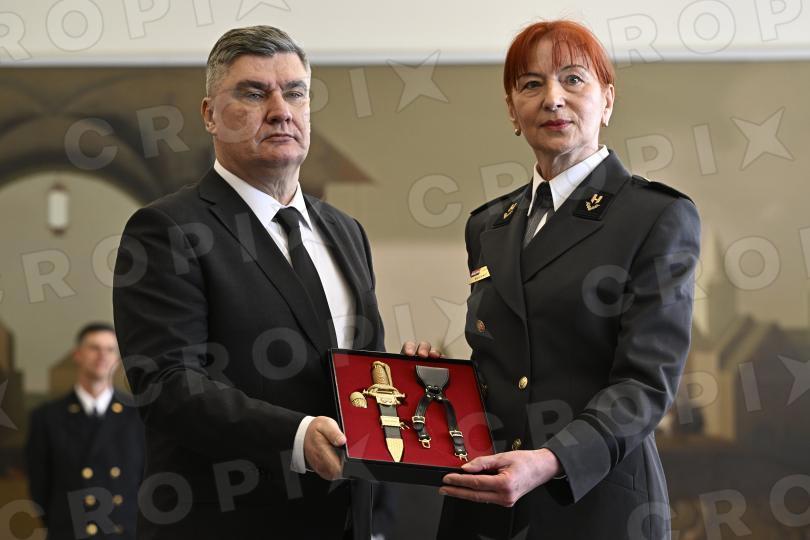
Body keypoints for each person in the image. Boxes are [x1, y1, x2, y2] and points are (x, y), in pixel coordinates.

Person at [112, 25, 437, 539]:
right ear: (210, 115)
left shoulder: (345, 231)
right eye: (253, 93)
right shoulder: (167, 228)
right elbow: (167, 386)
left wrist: (406, 385)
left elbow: (349, 375)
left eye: (295, 92)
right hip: (226, 523)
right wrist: (296, 436)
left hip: (346, 521)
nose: (281, 110)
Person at [435, 20, 700, 540]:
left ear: (607, 100)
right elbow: (503, 367)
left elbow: (645, 383)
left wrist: (552, 460)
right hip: (486, 504)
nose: (552, 98)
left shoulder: (654, 215)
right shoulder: (487, 225)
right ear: (512, 110)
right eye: (531, 84)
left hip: (595, 502)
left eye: (573, 79)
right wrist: (434, 378)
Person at [25, 322, 144, 539]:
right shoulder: (47, 417)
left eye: (110, 349)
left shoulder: (137, 416)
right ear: (77, 355)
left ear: (118, 360)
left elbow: (146, 481)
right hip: (70, 533)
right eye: (94, 348)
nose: (102, 355)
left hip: (124, 533)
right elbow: (39, 486)